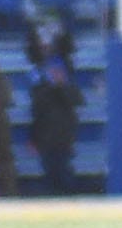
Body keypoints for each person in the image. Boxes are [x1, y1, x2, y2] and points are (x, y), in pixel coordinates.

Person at [28, 54, 83, 197]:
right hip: (46, 140)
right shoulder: (42, 91)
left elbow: (77, 101)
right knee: (49, 174)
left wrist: (60, 87)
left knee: (64, 173)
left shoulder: (70, 89)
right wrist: (33, 139)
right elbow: (37, 116)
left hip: (64, 139)